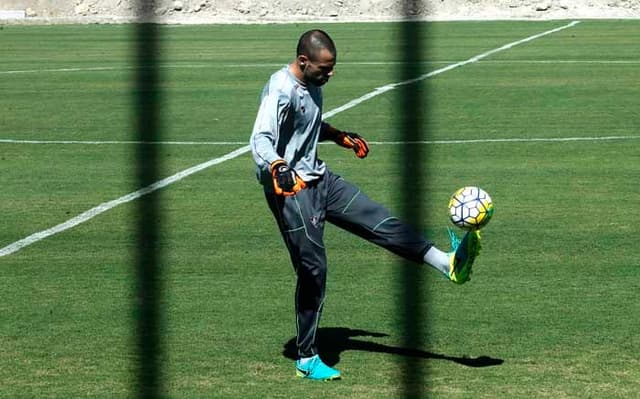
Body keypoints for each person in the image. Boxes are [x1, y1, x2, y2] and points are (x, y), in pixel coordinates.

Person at [249, 29, 481, 381]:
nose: (331, 75)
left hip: (321, 180)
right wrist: (279, 168)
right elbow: (261, 139)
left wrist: (338, 135)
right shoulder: (280, 89)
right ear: (303, 62)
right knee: (313, 269)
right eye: (325, 69)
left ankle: (447, 263)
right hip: (291, 190)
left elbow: (306, 123)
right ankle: (307, 357)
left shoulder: (312, 85)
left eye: (332, 68)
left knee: (380, 220)